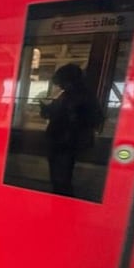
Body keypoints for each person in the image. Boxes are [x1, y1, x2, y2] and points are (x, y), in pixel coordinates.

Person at [39, 63, 104, 197]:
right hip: (62, 141)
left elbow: (94, 119)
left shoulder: (80, 97)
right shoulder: (71, 95)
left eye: (63, 82)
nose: (61, 86)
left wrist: (72, 116)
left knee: (61, 179)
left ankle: (61, 206)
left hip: (66, 142)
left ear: (70, 80)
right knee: (60, 177)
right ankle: (59, 203)